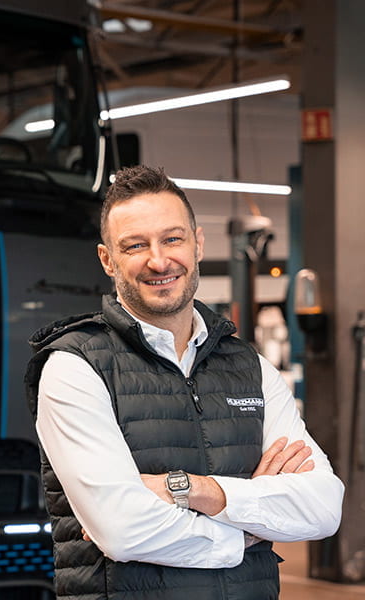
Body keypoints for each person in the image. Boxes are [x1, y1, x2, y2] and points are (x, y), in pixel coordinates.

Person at [24, 165, 344, 600]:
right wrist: (245, 530)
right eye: (136, 245)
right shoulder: (75, 367)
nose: (158, 260)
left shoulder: (249, 367)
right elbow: (122, 530)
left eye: (172, 239)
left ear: (198, 244)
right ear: (107, 260)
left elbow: (323, 507)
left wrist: (193, 489)